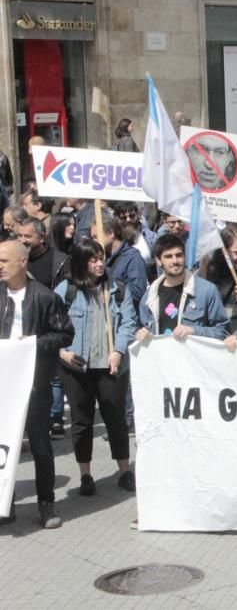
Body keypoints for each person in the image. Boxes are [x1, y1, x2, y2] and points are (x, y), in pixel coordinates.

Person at [54, 238, 138, 496]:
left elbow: (128, 322)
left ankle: (124, 470)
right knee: (81, 421)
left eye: (102, 257)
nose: (100, 263)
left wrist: (118, 350)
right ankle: (86, 474)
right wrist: (63, 354)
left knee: (115, 418)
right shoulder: (65, 292)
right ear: (81, 262)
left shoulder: (116, 288)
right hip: (76, 368)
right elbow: (51, 329)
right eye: (93, 259)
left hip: (109, 366)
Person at [0, 240, 73, 528]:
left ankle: (46, 504)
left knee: (40, 445)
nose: (0, 265)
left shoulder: (45, 297)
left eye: (5, 260)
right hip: (3, 385)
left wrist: (32, 344)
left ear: (22, 262)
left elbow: (64, 334)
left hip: (34, 385)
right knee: (4, 445)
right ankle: (6, 502)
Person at [135, 234, 230, 342]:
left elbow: (224, 332)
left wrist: (193, 331)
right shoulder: (149, 297)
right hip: (163, 358)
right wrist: (141, 334)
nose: (175, 261)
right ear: (158, 260)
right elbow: (144, 331)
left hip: (193, 357)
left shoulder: (207, 291)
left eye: (179, 255)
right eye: (168, 256)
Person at [91, 211, 148, 311]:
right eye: (92, 238)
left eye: (96, 236)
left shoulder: (132, 257)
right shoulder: (104, 258)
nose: (94, 241)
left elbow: (138, 293)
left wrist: (112, 287)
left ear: (111, 233)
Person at [17, 218, 69, 289]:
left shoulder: (59, 261)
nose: (22, 241)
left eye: (27, 236)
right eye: (20, 236)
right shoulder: (14, 257)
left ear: (42, 237)